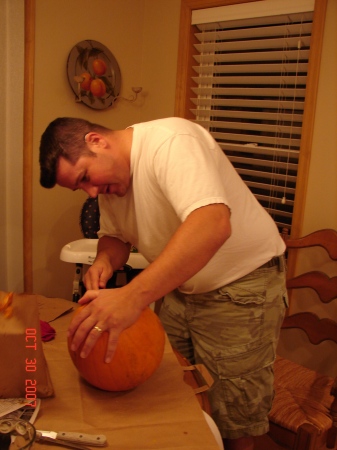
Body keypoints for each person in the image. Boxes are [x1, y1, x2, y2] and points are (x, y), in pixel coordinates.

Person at [39, 116, 287, 450]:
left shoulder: (171, 142)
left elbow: (212, 224)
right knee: (176, 395)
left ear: (97, 141)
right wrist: (104, 260)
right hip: (181, 289)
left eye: (85, 177)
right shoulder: (111, 183)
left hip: (240, 288)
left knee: (234, 416)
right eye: (80, 188)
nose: (92, 192)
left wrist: (131, 297)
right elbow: (115, 237)